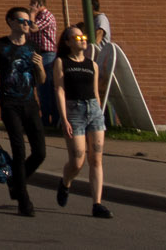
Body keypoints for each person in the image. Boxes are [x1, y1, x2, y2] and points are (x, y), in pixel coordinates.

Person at [0, 5, 49, 216]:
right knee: (18, 151)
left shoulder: (33, 48)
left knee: (40, 152)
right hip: (9, 104)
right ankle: (23, 199)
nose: (26, 25)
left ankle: (14, 180)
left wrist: (40, 67)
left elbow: (41, 80)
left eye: (28, 22)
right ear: (11, 22)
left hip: (30, 104)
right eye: (22, 21)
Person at [54, 27, 111, 217]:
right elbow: (60, 91)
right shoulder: (62, 62)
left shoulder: (91, 65)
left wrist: (100, 114)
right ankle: (66, 182)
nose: (82, 40)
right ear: (68, 42)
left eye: (84, 37)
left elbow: (95, 92)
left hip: (93, 110)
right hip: (74, 111)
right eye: (77, 37)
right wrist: (64, 118)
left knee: (96, 159)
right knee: (77, 161)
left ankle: (97, 204)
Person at [28, 0, 61, 129]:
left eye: (32, 3)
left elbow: (33, 28)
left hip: (47, 55)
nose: (30, 5)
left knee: (46, 87)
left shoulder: (46, 16)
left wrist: (31, 14)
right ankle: (46, 117)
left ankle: (50, 119)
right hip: (38, 53)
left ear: (38, 3)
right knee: (41, 88)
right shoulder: (39, 17)